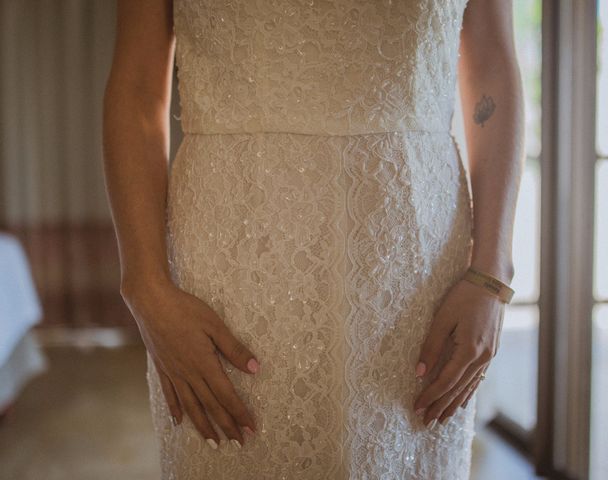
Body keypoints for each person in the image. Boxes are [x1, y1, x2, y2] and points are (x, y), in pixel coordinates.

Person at [102, 0, 523, 478]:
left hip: (417, 270)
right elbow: (137, 86)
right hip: (228, 266)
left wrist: (492, 273)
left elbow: (491, 68)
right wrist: (146, 286)